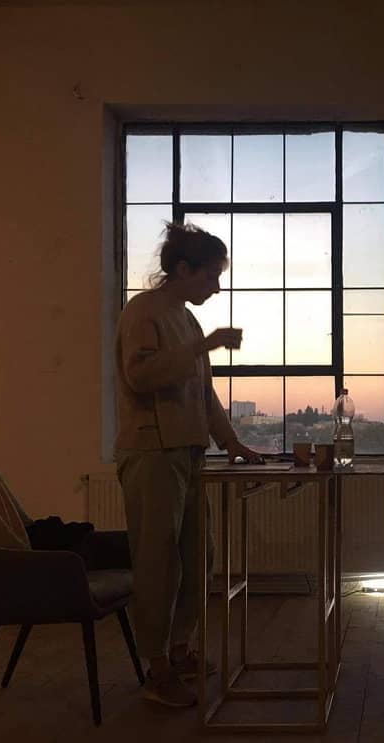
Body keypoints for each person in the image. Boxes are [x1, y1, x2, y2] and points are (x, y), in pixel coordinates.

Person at [114, 221, 263, 708]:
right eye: (211, 276)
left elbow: (203, 392)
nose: (216, 287)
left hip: (188, 451)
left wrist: (231, 441)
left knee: (200, 554)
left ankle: (179, 649)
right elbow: (140, 376)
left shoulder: (187, 319)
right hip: (152, 451)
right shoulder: (144, 312)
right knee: (158, 561)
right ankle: (156, 667)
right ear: (182, 269)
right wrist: (205, 345)